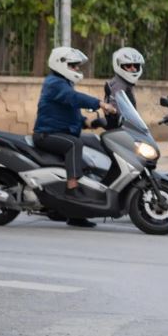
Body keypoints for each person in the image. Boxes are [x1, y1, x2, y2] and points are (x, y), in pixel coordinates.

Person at [33, 47, 117, 226]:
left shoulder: (64, 83)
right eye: (73, 66)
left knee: (94, 142)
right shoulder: (55, 83)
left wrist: (92, 123)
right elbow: (73, 98)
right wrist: (101, 104)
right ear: (61, 64)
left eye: (78, 66)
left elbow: (72, 114)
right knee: (74, 144)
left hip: (60, 132)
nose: (77, 70)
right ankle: (72, 189)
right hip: (46, 134)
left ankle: (77, 213)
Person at [104, 47, 144, 128]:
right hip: (120, 131)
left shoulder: (126, 84)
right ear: (120, 66)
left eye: (136, 65)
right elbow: (115, 112)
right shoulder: (117, 85)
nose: (133, 69)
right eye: (128, 65)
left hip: (128, 130)